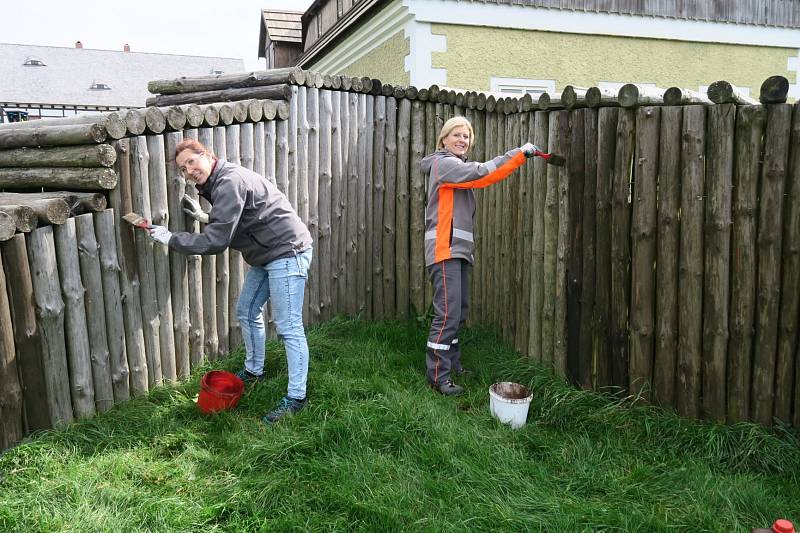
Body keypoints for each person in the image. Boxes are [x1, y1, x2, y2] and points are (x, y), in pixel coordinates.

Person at [147, 139, 313, 423]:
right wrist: (205, 215)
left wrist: (171, 238)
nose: (188, 170)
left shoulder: (228, 181)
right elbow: (238, 214)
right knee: (246, 311)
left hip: (287, 251)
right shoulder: (219, 182)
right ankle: (253, 371)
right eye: (183, 168)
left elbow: (217, 241)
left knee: (288, 326)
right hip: (267, 253)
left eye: (191, 161)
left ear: (208, 155)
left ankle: (296, 397)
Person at [420, 116, 536, 395]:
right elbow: (484, 172)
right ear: (443, 139)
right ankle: (437, 376)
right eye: (457, 135)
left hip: (457, 251)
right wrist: (519, 154)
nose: (463, 140)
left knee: (458, 313)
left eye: (467, 136)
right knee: (447, 314)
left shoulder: (455, 168)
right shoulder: (443, 164)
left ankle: (452, 364)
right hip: (444, 250)